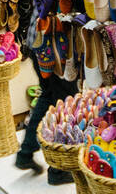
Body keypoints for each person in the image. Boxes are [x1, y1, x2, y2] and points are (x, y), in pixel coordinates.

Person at [14, 47, 76, 186]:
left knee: (48, 96)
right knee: (64, 103)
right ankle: (58, 170)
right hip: (57, 48)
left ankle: (26, 153)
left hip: (40, 48)